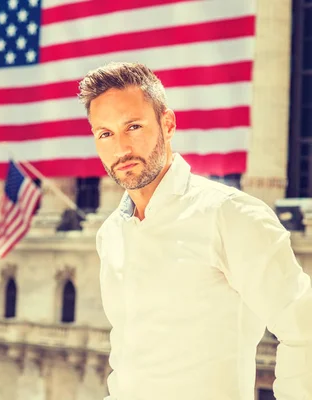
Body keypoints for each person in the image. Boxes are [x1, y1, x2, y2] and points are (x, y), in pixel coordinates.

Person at [78, 62, 312, 400]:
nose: (121, 148)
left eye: (133, 126)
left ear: (168, 125)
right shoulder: (112, 233)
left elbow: (303, 325)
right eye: (105, 133)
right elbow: (128, 359)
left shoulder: (229, 214)